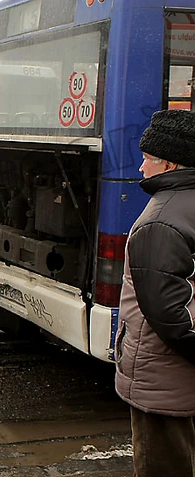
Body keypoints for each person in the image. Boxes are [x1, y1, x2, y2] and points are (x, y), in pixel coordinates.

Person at [115, 109, 195, 477]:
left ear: (170, 163)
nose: (141, 166)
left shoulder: (160, 220)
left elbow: (171, 317)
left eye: (148, 157)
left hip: (162, 381)